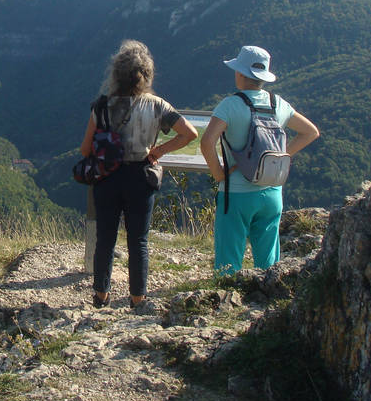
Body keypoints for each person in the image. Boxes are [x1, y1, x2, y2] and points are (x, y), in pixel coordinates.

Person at [79, 40, 198, 309]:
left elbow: (85, 148)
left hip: (107, 178)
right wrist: (158, 151)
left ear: (116, 73)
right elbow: (189, 133)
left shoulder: (102, 106)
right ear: (146, 75)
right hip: (141, 177)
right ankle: (138, 298)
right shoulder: (157, 105)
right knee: (139, 240)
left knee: (106, 238)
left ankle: (101, 295)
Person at [199, 45, 319, 274]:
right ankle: (264, 301)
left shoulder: (230, 105)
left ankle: (225, 302)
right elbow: (310, 132)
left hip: (236, 193)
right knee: (268, 263)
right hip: (272, 191)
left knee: (228, 262)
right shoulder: (279, 104)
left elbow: (207, 142)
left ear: (241, 74)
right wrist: (282, 157)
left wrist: (218, 174)